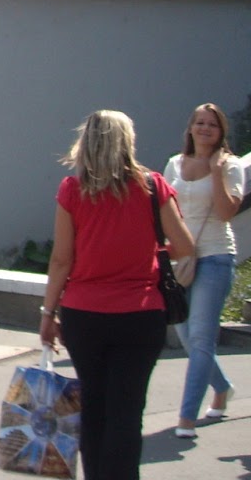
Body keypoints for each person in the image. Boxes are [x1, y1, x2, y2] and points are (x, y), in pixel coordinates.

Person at [40, 109, 194, 479]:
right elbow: (185, 246)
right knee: (126, 411)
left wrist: (48, 314)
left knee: (93, 406)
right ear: (128, 142)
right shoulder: (152, 186)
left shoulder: (72, 190)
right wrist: (152, 252)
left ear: (87, 142)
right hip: (141, 314)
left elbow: (62, 259)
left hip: (84, 314)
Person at [163, 102, 245, 435]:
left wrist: (217, 172)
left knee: (200, 337)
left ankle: (186, 419)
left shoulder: (231, 166)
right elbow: (164, 210)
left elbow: (227, 213)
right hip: (180, 259)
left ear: (221, 131)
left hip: (215, 257)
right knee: (186, 336)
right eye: (200, 122)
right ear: (190, 128)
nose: (205, 128)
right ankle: (222, 388)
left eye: (212, 124)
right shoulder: (174, 164)